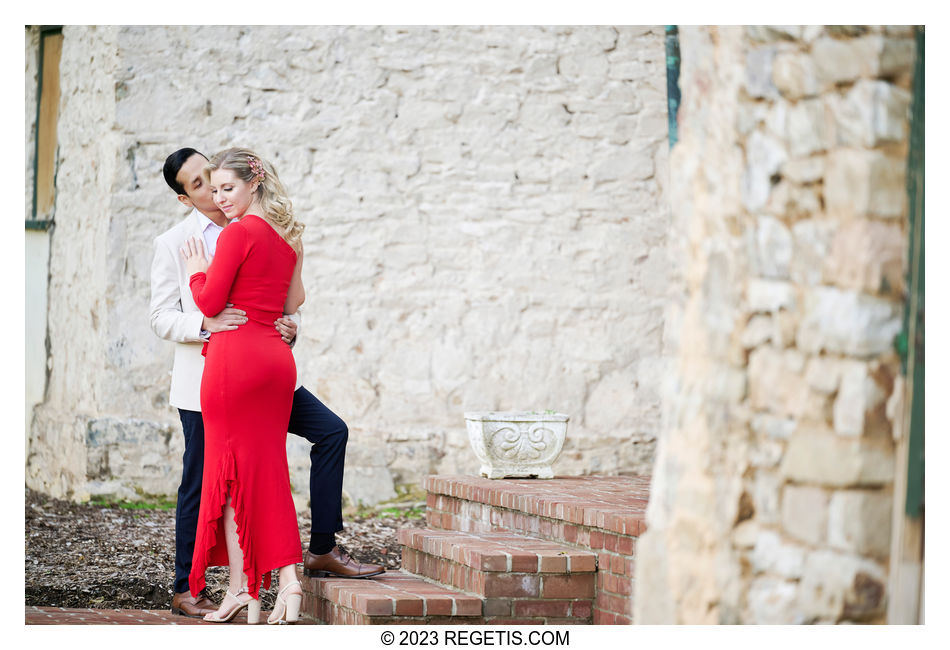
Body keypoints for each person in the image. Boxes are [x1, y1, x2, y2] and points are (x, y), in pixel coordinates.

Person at [149, 148, 383, 621]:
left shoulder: (245, 230)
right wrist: (207, 325)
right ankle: (199, 589)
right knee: (208, 483)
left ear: (244, 182)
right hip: (218, 374)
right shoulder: (177, 241)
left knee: (284, 455)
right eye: (201, 186)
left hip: (242, 372)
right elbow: (161, 316)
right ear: (184, 197)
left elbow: (282, 303)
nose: (214, 193)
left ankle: (293, 566)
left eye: (217, 182)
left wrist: (288, 323)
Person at [182, 148, 305, 623]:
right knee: (261, 474)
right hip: (276, 361)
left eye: (227, 188)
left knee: (234, 478)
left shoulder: (237, 234)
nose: (220, 198)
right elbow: (294, 300)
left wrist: (197, 271)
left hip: (236, 363)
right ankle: (249, 590)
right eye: (214, 191)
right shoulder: (286, 236)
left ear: (254, 184)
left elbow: (210, 300)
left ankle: (269, 584)